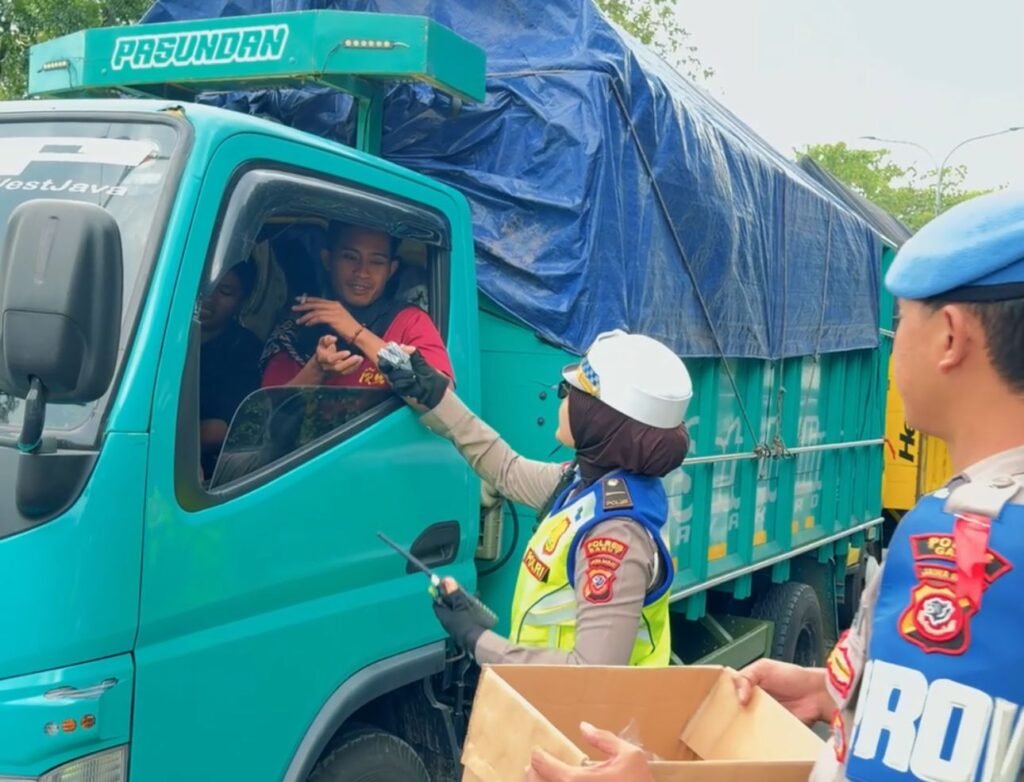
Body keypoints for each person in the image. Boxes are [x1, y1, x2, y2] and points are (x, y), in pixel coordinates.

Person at [524, 189, 1024, 781]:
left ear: (948, 337)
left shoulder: (975, 543)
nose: (890, 350)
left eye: (898, 324)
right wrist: (840, 691)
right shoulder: (966, 514)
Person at [380, 329, 692, 667]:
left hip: (584, 718)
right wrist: (435, 393)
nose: (561, 401)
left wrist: (476, 640)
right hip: (552, 709)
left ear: (599, 419)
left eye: (569, 393)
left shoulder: (614, 534)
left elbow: (592, 674)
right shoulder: (585, 485)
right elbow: (506, 469)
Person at [259, 222, 453, 390]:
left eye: (376, 262)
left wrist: (356, 332)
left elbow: (442, 394)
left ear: (391, 270)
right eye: (350, 257)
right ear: (328, 260)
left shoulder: (408, 321)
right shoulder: (301, 325)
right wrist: (316, 370)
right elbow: (265, 417)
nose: (362, 272)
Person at [199, 261, 262, 479]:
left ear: (242, 302)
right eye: (204, 286)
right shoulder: (161, 337)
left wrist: (162, 439)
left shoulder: (245, 349)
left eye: (225, 291)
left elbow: (221, 430)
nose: (210, 298)